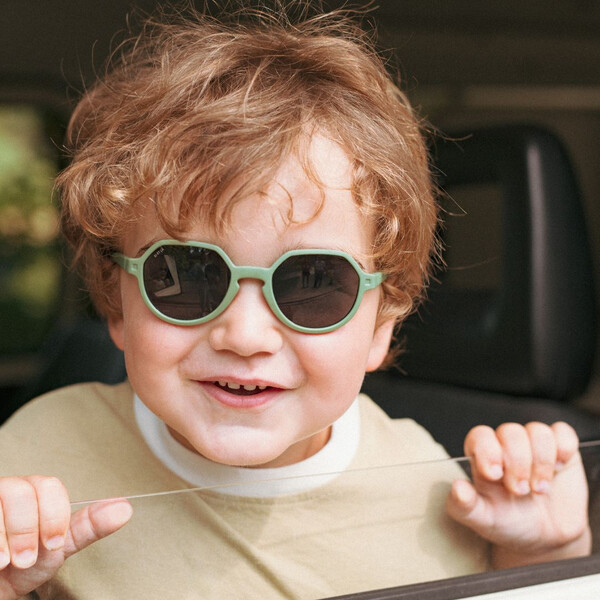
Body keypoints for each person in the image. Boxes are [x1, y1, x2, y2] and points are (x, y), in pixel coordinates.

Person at [0, 4, 591, 599]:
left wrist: (538, 554)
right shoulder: (36, 458)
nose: (244, 335)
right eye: (188, 275)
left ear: (381, 323)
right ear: (117, 303)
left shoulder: (430, 486)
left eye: (313, 284)